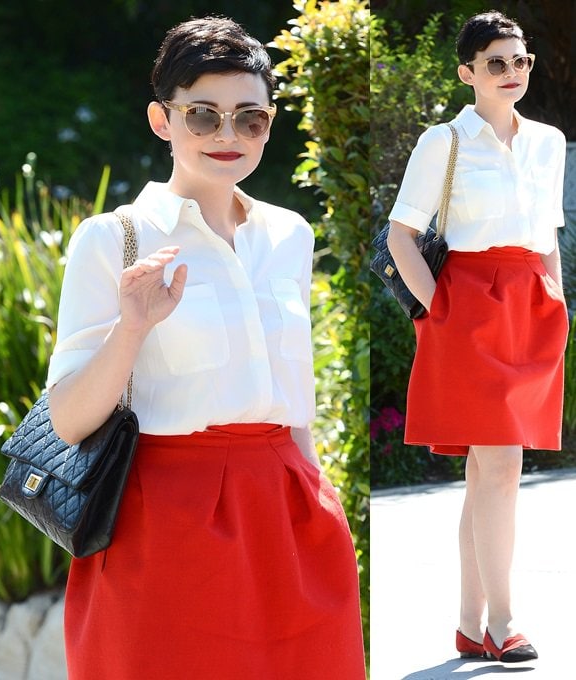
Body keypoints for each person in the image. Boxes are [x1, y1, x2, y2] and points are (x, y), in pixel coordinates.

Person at [47, 16, 365, 679]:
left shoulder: (289, 235)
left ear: (270, 124)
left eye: (249, 119)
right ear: (162, 120)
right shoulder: (113, 239)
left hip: (289, 513)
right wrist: (131, 326)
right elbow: (70, 422)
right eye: (203, 116)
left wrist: (317, 496)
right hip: (161, 523)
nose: (227, 136)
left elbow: (293, 389)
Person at [387, 10, 568, 663]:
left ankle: (469, 623)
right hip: (468, 304)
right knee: (499, 465)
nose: (512, 72)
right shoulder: (445, 140)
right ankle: (503, 621)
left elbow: (546, 234)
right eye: (496, 62)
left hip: (530, 305)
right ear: (466, 72)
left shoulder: (546, 141)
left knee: (485, 471)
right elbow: (400, 236)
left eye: (519, 60)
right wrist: (440, 310)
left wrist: (558, 304)